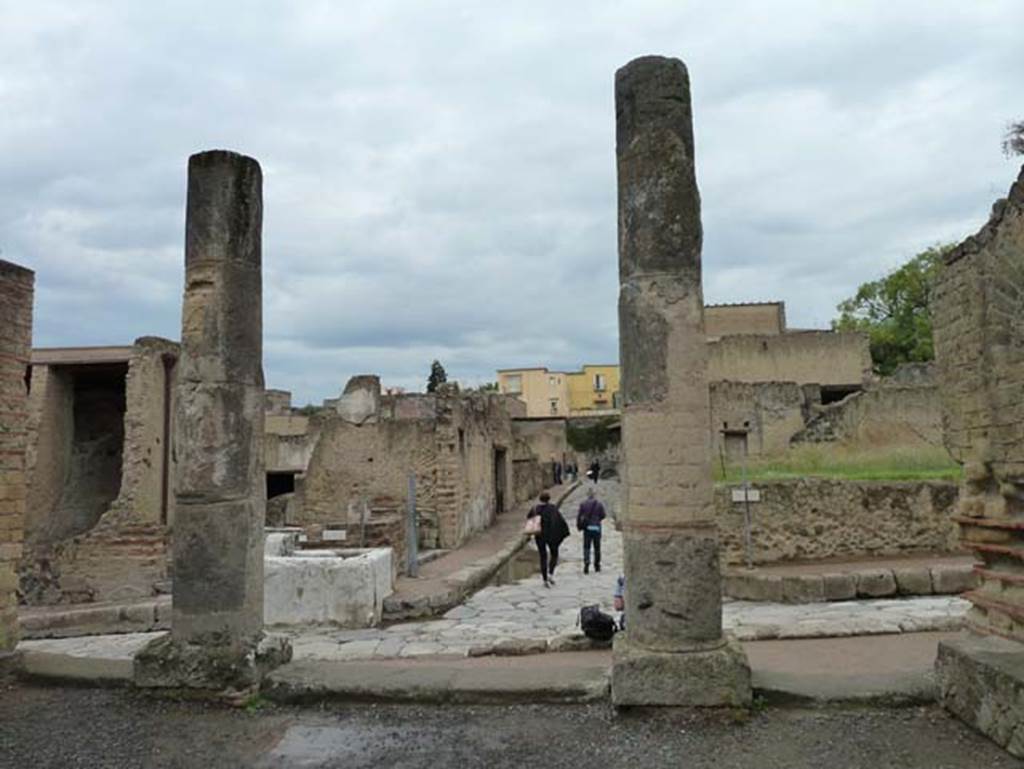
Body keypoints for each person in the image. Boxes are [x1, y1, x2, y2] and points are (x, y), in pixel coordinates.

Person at [526, 491, 569, 587]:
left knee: (543, 556)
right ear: (548, 499)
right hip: (551, 535)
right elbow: (560, 520)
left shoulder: (535, 508)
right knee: (554, 554)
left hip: (539, 535)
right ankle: (551, 573)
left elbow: (529, 517)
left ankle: (544, 578)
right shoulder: (553, 508)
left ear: (540, 499)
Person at [576, 487, 606, 574]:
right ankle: (597, 565)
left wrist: (579, 526)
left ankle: (586, 563)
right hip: (596, 527)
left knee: (586, 547)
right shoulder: (599, 504)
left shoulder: (583, 504)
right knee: (597, 547)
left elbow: (579, 516)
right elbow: (603, 515)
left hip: (587, 528)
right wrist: (597, 520)